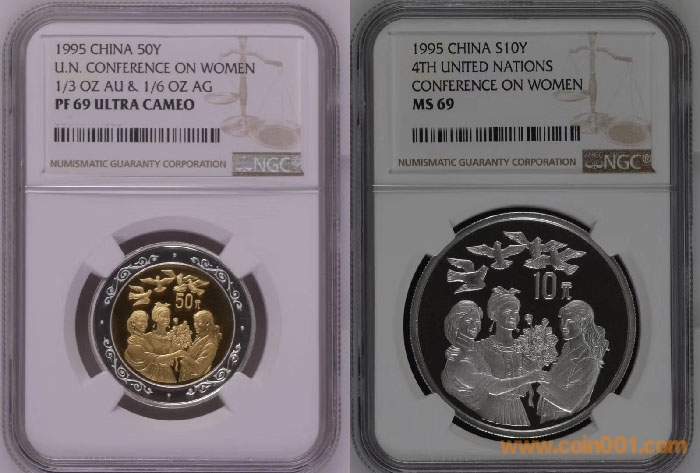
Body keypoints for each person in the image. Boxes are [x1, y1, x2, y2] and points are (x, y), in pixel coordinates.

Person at [476, 287, 548, 426]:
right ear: (494, 315)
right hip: (489, 411)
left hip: (517, 411)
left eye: (515, 312)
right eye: (507, 312)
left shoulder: (525, 348)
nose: (513, 316)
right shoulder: (480, 348)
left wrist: (535, 370)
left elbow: (538, 382)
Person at [537, 300, 608, 422]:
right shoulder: (566, 352)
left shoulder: (588, 361)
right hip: (549, 420)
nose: (564, 326)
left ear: (584, 324)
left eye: (570, 322)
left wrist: (541, 378)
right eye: (562, 321)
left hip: (564, 422)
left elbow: (569, 403)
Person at [124, 310, 184, 384]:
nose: (145, 324)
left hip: (166, 374)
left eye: (145, 322)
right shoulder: (134, 341)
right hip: (150, 377)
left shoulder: (144, 338)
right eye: (142, 321)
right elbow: (155, 359)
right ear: (133, 323)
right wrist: (176, 354)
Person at [142, 302, 182, 383]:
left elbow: (180, 352)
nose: (167, 319)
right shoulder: (147, 337)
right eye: (163, 316)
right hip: (151, 374)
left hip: (168, 374)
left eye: (168, 316)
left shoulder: (172, 337)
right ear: (156, 318)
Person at [179, 310, 222, 383]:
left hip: (196, 382)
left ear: (207, 323)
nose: (195, 325)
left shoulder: (210, 344)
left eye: (198, 322)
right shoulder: (200, 338)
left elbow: (199, 368)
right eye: (195, 322)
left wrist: (183, 355)